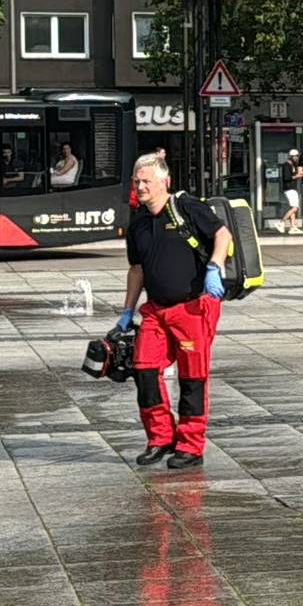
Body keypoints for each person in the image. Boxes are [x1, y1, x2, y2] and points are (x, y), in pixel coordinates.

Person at [117, 153, 232, 470]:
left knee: (192, 377)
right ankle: (160, 438)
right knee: (144, 370)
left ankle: (191, 446)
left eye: (146, 181)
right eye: (137, 181)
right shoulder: (138, 223)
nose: (140, 187)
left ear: (164, 182)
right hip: (155, 311)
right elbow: (137, 270)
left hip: (193, 306)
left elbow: (222, 234)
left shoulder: (186, 207)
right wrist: (126, 312)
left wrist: (214, 267)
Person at [277, 151, 302, 235]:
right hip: (289, 188)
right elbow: (287, 177)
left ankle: (293, 227)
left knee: (292, 207)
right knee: (295, 208)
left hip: (292, 188)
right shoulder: (286, 165)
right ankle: (281, 222)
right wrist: (297, 176)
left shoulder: (292, 165)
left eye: (297, 156)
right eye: (295, 156)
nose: (297, 158)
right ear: (291, 156)